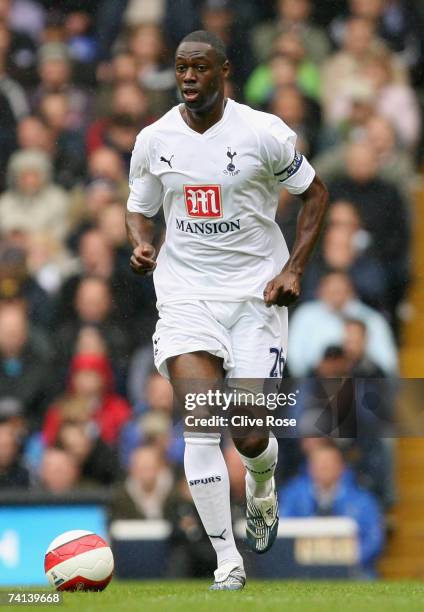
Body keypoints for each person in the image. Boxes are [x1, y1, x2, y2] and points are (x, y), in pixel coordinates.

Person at [125, 30, 328, 590]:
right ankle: (227, 563)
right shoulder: (154, 138)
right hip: (186, 296)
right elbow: (139, 210)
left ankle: (262, 482)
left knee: (246, 433)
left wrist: (294, 271)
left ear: (224, 71)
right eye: (180, 68)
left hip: (254, 297)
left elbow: (316, 194)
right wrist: (141, 243)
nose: (188, 77)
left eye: (199, 68)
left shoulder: (263, 133)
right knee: (201, 420)